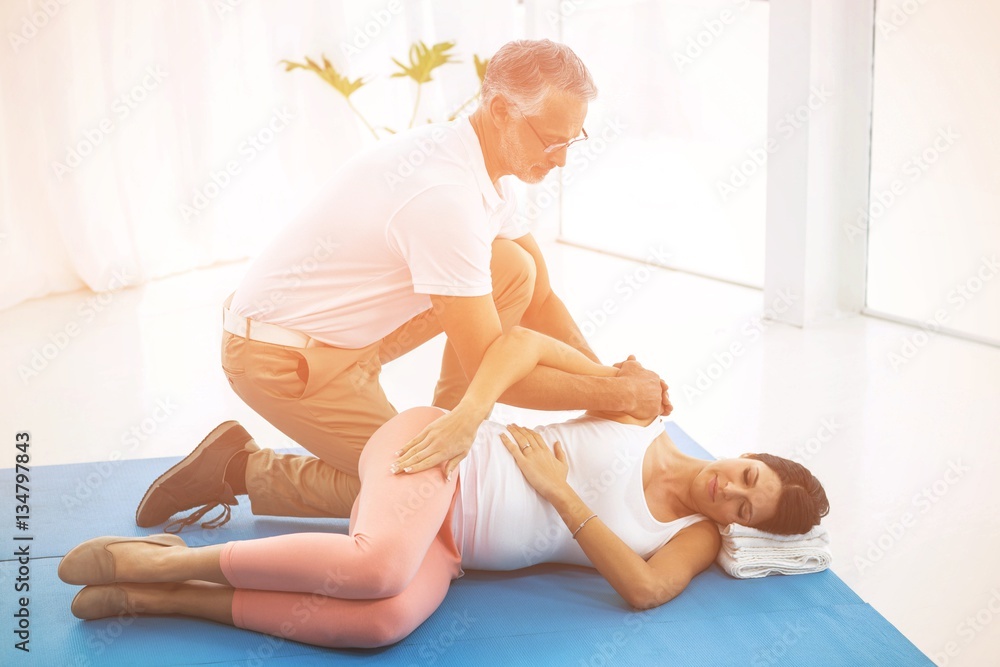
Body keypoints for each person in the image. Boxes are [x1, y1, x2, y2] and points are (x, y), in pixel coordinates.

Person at [134, 38, 671, 533]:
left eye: (571, 139)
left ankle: (453, 429)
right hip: (280, 361)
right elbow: (499, 371)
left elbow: (541, 298)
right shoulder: (444, 197)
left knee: (512, 267)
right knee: (436, 492)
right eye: (552, 142)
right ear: (503, 110)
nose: (562, 160)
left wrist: (609, 385)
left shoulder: (483, 163)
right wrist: (618, 392)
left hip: (347, 342)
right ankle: (239, 469)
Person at [61, 326, 829, 649]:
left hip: (452, 545)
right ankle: (163, 560)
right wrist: (470, 417)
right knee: (375, 568)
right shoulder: (639, 412)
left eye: (743, 508)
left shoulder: (690, 537)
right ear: (752, 451)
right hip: (440, 454)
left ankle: (157, 596)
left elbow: (644, 589)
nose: (728, 491)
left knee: (381, 622)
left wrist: (561, 494)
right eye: (748, 476)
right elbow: (522, 343)